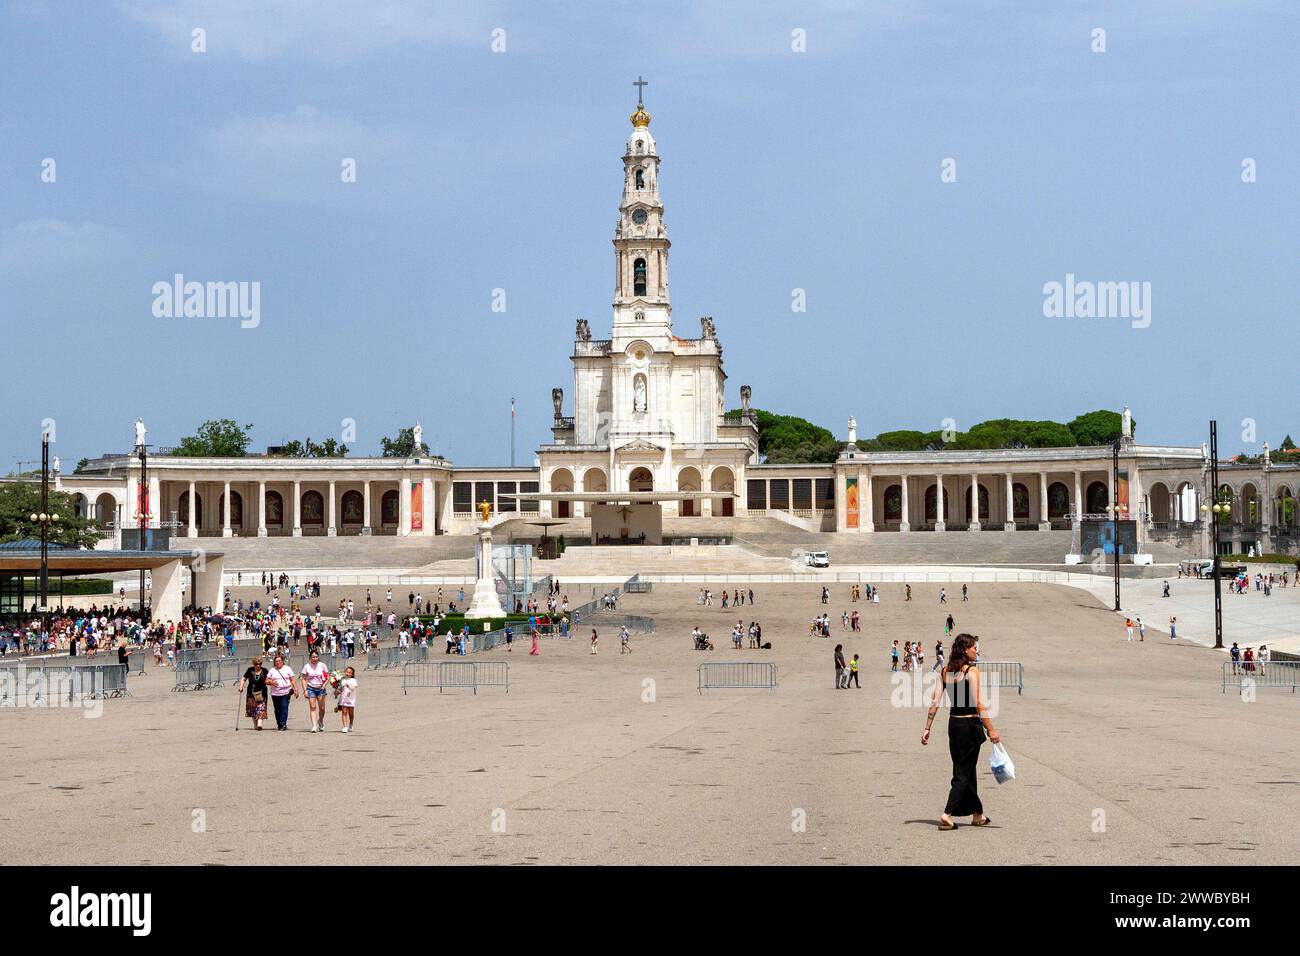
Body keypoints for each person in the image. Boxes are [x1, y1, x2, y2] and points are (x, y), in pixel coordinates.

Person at [922, 633, 1000, 830]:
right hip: (969, 726)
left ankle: (977, 814)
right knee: (963, 771)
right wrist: (991, 729)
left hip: (954, 726)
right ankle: (947, 814)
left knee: (967, 768)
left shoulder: (945, 671)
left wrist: (927, 728)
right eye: (974, 648)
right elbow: (979, 703)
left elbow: (934, 703)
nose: (977, 651)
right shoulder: (971, 671)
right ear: (965, 650)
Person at [299, 650, 331, 733]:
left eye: (316, 657)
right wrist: (305, 690)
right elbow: (303, 679)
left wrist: (324, 685)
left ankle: (320, 721)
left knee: (322, 708)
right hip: (311, 688)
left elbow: (327, 677)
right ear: (310, 657)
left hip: (321, 688)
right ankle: (314, 725)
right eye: (313, 657)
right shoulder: (307, 666)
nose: (315, 658)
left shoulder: (322, 665)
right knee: (313, 708)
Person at [266, 653, 297, 731]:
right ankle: (279, 724)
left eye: (279, 661)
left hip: (286, 692)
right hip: (275, 693)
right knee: (277, 709)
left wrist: (295, 689)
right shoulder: (272, 670)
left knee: (284, 707)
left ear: (282, 661)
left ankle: (283, 724)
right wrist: (271, 682)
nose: (278, 662)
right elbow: (266, 681)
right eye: (276, 661)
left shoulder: (287, 669)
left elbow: (292, 679)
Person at [238, 656, 270, 731]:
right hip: (251, 693)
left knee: (261, 708)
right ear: (253, 664)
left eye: (259, 664)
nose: (258, 665)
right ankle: (255, 725)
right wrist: (241, 686)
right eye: (256, 664)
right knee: (253, 709)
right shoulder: (250, 670)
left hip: (262, 693)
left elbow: (269, 679)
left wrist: (272, 683)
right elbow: (244, 678)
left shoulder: (264, 670)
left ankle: (259, 724)